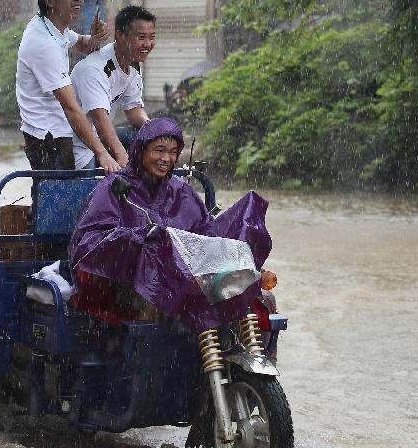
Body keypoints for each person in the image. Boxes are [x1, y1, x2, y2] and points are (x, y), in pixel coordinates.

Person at [68, 118, 272, 329]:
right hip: (123, 283)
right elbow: (88, 244)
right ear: (141, 150)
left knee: (261, 298)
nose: (166, 158)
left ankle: (252, 354)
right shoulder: (114, 188)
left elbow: (205, 238)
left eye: (173, 152)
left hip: (184, 283)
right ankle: (146, 354)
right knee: (158, 284)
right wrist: (140, 239)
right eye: (159, 150)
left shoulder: (183, 193)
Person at [16, 0, 121, 171]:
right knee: (59, 196)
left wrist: (95, 38)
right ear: (50, 1)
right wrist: (103, 153)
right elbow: (71, 107)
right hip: (47, 138)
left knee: (60, 194)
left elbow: (81, 43)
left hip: (54, 131)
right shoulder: (44, 43)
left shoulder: (53, 27)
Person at [69, 5, 155, 170]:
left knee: (148, 139)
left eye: (152, 37)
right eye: (141, 37)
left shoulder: (133, 65)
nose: (147, 44)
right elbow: (100, 121)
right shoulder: (94, 69)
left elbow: (134, 109)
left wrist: (154, 128)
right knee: (93, 189)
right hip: (79, 143)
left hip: (101, 137)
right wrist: (122, 156)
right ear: (121, 36)